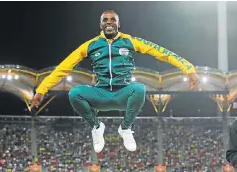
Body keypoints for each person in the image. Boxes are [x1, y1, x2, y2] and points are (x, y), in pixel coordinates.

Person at [31, 10, 199, 153]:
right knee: (75, 93)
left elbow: (163, 53)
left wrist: (189, 69)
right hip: (101, 95)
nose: (109, 22)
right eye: (105, 20)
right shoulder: (90, 45)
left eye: (113, 20)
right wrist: (41, 90)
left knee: (139, 89)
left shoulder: (131, 41)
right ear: (100, 25)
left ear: (119, 24)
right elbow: (63, 67)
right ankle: (96, 127)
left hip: (123, 95)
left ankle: (125, 128)